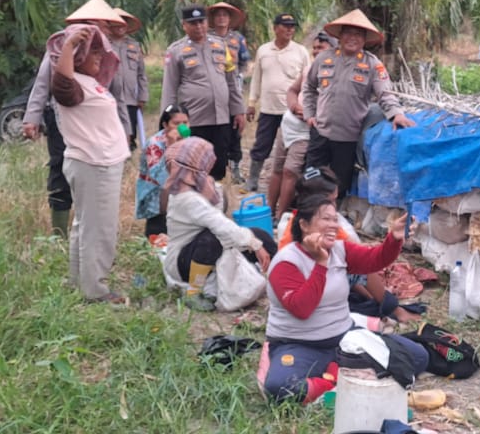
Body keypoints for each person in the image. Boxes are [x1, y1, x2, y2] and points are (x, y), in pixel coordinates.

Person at [260, 196, 426, 404]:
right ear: (303, 224)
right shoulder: (287, 261)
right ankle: (334, 382)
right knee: (280, 387)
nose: (333, 225)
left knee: (418, 357)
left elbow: (376, 259)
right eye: (325, 219)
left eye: (334, 219)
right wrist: (321, 263)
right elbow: (302, 308)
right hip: (299, 344)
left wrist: (393, 238)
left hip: (344, 339)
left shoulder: (340, 249)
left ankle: (336, 374)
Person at [21, 0, 129, 238]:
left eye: (106, 25)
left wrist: (125, 126)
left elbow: (116, 93)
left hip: (98, 124)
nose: (104, 30)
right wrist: (32, 118)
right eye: (100, 24)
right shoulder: (63, 47)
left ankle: (87, 224)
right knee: (61, 167)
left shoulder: (107, 50)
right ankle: (59, 231)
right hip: (66, 117)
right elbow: (42, 84)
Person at [48, 16, 130, 305]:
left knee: (84, 226)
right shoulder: (71, 84)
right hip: (94, 164)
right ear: (78, 57)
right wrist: (70, 44)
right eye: (93, 52)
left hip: (98, 163)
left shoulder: (88, 82)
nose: (99, 57)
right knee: (99, 230)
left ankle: (78, 281)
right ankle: (95, 291)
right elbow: (61, 83)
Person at [278, 167, 420, 324]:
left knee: (359, 267)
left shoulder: (312, 223)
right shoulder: (306, 239)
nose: (334, 208)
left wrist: (393, 239)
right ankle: (394, 309)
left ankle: (382, 304)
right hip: (309, 295)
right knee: (361, 271)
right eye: (330, 201)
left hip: (318, 286)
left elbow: (368, 258)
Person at [302, 9, 415, 200]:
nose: (352, 38)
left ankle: (332, 219)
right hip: (320, 133)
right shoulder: (324, 58)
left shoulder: (372, 64)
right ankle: (306, 218)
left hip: (348, 138)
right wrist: (309, 114)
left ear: (364, 40)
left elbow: (385, 93)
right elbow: (309, 87)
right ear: (340, 36)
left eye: (358, 34)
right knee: (310, 179)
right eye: (348, 33)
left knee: (339, 185)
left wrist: (396, 114)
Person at [162, 137, 275, 312]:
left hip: (199, 251)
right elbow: (219, 223)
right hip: (183, 262)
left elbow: (219, 212)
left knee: (262, 235)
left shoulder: (195, 186)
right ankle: (194, 291)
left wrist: (257, 240)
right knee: (214, 238)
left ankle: (276, 278)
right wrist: (254, 244)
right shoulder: (185, 197)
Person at [160, 5, 246, 181]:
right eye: (193, 23)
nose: (198, 26)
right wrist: (167, 120)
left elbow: (231, 80)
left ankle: (216, 202)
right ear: (184, 25)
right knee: (194, 165)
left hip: (221, 118)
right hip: (194, 120)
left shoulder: (221, 45)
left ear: (207, 22)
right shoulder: (175, 51)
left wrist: (238, 110)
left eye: (201, 21)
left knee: (219, 165)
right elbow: (169, 88)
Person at [269, 32, 333, 218]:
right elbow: (292, 90)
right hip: (288, 123)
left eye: (321, 47)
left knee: (291, 171)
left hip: (306, 131)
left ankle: (281, 216)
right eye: (314, 47)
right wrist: (294, 105)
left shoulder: (334, 74)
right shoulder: (309, 69)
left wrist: (309, 113)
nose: (315, 51)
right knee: (277, 169)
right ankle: (268, 211)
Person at [245, 13, 311, 193]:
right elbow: (257, 78)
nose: (290, 29)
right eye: (285, 25)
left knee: (295, 147)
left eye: (292, 26)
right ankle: (253, 178)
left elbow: (309, 81)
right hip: (268, 109)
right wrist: (252, 102)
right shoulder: (263, 50)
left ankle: (294, 184)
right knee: (262, 145)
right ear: (275, 28)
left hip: (292, 110)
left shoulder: (301, 52)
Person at [209, 2, 252, 184]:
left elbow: (244, 61)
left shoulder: (237, 39)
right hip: (213, 90)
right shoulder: (206, 38)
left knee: (235, 127)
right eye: (218, 15)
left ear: (229, 19)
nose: (221, 18)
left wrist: (238, 77)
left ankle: (235, 167)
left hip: (233, 88)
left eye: (224, 15)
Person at [136, 104, 189, 245]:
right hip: (156, 194)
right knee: (159, 234)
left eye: (185, 123)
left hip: (178, 193)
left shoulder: (187, 141)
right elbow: (160, 177)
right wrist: (172, 146)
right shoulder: (155, 144)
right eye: (176, 123)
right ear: (165, 125)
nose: (182, 127)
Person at [109, 7, 148, 150]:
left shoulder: (134, 46)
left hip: (131, 98)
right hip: (110, 97)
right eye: (116, 23)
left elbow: (141, 74)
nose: (120, 26)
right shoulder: (103, 43)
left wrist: (142, 96)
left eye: (123, 23)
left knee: (130, 133)